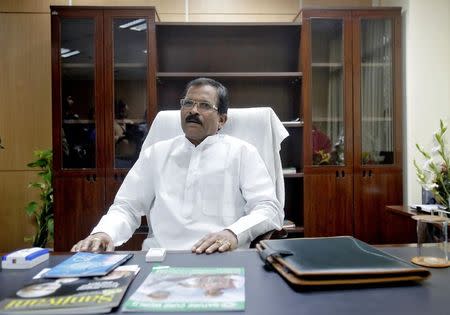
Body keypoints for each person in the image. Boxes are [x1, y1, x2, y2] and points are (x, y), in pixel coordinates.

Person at [71, 78, 284, 254]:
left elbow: (268, 208)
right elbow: (127, 207)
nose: (193, 111)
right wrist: (104, 233)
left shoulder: (242, 153)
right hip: (160, 258)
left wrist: (233, 234)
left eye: (204, 105)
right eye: (188, 103)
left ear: (222, 119)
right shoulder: (156, 153)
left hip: (222, 257)